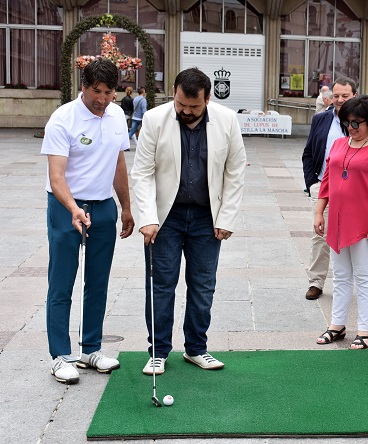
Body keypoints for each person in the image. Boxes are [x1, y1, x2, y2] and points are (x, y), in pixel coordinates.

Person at [131, 68, 246, 375]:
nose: (185, 111)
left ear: (207, 99)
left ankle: (196, 348)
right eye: (181, 104)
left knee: (203, 285)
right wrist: (147, 218)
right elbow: (141, 172)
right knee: (160, 285)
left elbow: (235, 173)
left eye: (194, 107)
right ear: (174, 92)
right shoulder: (155, 119)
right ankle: (157, 351)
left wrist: (227, 217)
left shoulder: (227, 121)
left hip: (207, 219)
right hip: (165, 219)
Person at [41, 58, 134, 384]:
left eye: (109, 92)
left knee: (98, 281)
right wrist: (72, 208)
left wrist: (125, 206)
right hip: (67, 206)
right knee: (62, 281)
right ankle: (60, 356)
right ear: (84, 86)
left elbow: (118, 162)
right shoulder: (63, 119)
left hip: (103, 206)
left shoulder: (117, 117)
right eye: (97, 91)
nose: (103, 99)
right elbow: (56, 176)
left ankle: (91, 349)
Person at [314, 95, 368, 349]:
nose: (352, 128)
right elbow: (327, 181)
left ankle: (364, 330)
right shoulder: (340, 144)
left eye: (357, 123)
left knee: (364, 277)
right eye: (347, 123)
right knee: (340, 276)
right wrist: (319, 212)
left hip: (365, 224)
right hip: (338, 222)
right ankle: (336, 325)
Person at [302, 78, 358, 300]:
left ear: (355, 95)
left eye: (345, 95)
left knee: (353, 237)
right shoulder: (321, 119)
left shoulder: (365, 121)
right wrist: (312, 183)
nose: (340, 100)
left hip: (354, 192)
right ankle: (316, 281)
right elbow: (308, 152)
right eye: (336, 95)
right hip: (324, 188)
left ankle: (348, 282)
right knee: (320, 235)